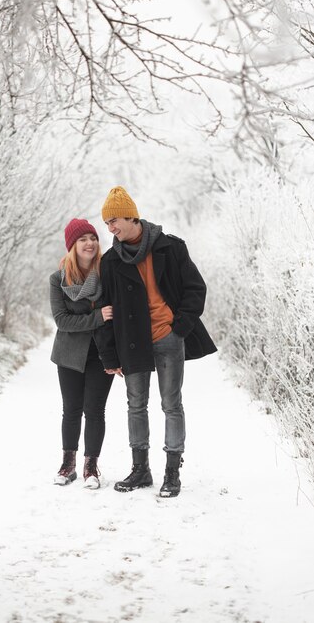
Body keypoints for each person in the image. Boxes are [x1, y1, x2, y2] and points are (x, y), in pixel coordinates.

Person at [97, 186, 217, 497]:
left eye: (113, 221)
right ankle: (141, 470)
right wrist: (110, 357)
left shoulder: (170, 248)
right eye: (107, 223)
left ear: (131, 216)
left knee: (171, 404)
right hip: (132, 342)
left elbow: (195, 289)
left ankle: (172, 473)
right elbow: (106, 310)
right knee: (135, 405)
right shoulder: (111, 261)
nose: (109, 228)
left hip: (168, 337)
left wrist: (180, 327)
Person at [50, 218, 114, 490]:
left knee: (95, 410)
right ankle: (68, 464)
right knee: (71, 410)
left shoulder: (107, 273)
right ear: (72, 246)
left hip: (101, 354)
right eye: (82, 239)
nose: (90, 243)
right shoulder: (59, 279)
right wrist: (97, 316)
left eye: (93, 238)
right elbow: (62, 321)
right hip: (69, 355)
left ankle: (91, 467)